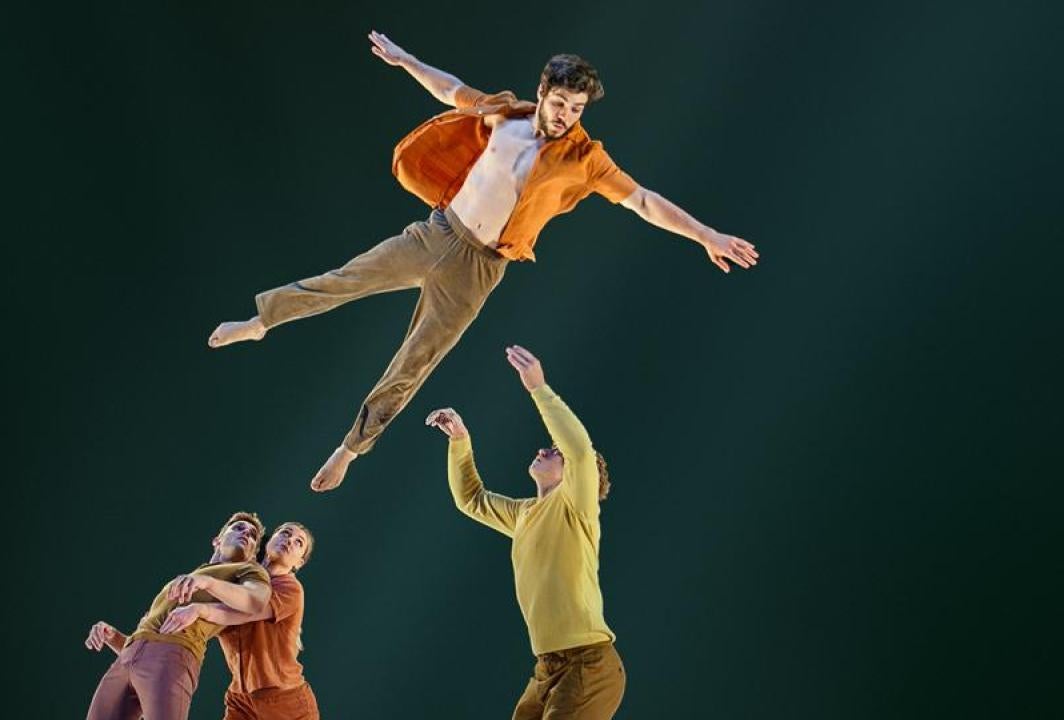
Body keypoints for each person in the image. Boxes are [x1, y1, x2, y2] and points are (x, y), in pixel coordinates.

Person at [210, 31, 759, 493]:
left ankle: (349, 449)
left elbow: (643, 199)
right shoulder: (504, 115)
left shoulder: (586, 159)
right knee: (344, 280)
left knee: (417, 359)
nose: (567, 116)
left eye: (577, 109)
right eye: (561, 103)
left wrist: (705, 234)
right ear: (543, 92)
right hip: (435, 232)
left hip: (477, 269)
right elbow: (450, 89)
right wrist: (406, 61)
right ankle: (261, 322)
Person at [426, 345, 625, 719]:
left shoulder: (577, 508)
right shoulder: (524, 515)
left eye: (554, 451)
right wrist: (460, 441)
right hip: (547, 668)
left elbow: (580, 451)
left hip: (588, 665)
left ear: (574, 478)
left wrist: (539, 389)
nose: (544, 450)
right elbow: (471, 500)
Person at [82, 512, 273, 720]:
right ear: (217, 541)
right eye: (238, 528)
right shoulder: (185, 580)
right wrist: (113, 637)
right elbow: (149, 641)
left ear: (253, 554)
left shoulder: (248, 569)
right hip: (127, 659)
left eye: (253, 535)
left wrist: (208, 583)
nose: (246, 533)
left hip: (174, 655)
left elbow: (256, 600)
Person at [201, 521, 320, 720]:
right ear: (268, 541)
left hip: (286, 702)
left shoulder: (290, 588)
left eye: (299, 542)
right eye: (284, 533)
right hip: (241, 700)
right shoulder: (239, 580)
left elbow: (247, 609)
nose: (289, 540)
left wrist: (200, 606)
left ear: (299, 563)